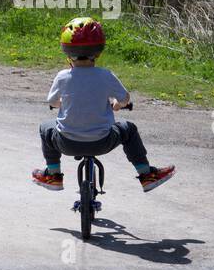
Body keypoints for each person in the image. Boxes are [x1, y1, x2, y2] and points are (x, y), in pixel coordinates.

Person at [31, 17, 175, 193]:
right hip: (103, 142)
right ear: (98, 52)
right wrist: (117, 104)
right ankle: (146, 175)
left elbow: (52, 101)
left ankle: (53, 175)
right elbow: (124, 98)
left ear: (67, 53)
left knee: (45, 127)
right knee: (129, 129)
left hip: (66, 142)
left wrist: (63, 103)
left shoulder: (62, 77)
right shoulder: (106, 75)